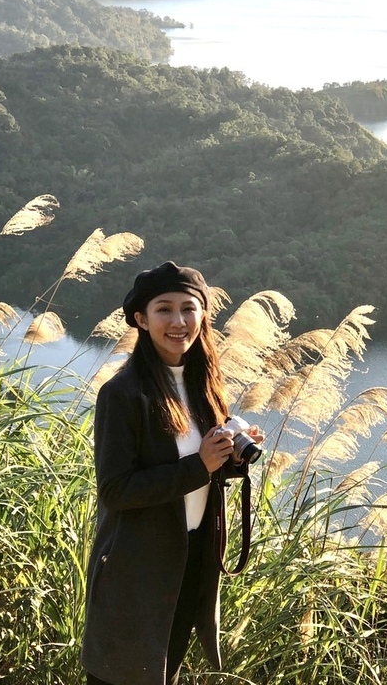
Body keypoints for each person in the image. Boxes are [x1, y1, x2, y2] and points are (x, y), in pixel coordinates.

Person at [81, 261, 264, 685]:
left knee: (166, 674)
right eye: (164, 309)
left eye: (189, 308)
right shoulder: (122, 393)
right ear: (141, 320)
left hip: (190, 558)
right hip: (137, 565)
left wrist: (228, 459)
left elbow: (201, 475)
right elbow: (115, 490)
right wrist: (199, 464)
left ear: (203, 315)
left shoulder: (205, 385)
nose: (178, 321)